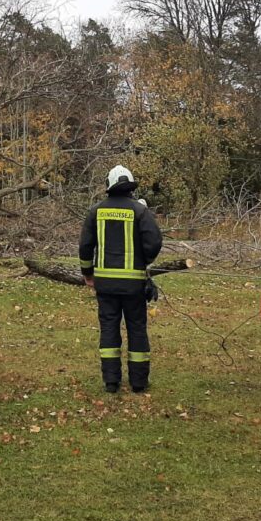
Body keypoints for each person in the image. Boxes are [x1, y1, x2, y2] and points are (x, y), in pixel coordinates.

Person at [78, 165, 162, 393]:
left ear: (109, 185)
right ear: (130, 187)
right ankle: (138, 382)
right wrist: (145, 262)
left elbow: (85, 247)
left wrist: (88, 274)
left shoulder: (96, 211)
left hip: (104, 284)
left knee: (108, 328)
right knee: (137, 328)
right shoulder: (140, 211)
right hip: (134, 284)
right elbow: (154, 242)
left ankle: (111, 381)